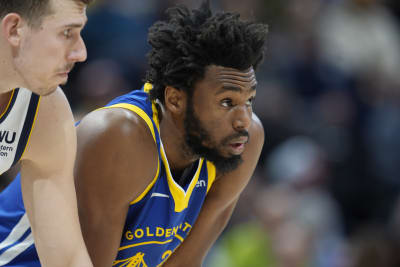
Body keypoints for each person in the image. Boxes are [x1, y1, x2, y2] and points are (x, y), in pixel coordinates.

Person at [74, 1, 267, 266]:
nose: (243, 120)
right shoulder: (118, 137)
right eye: (227, 102)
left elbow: (184, 263)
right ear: (175, 100)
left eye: (249, 101)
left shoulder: (245, 141)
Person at [0, 0, 93, 266]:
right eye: (67, 33)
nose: (81, 52)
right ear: (15, 29)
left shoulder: (45, 110)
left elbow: (66, 257)